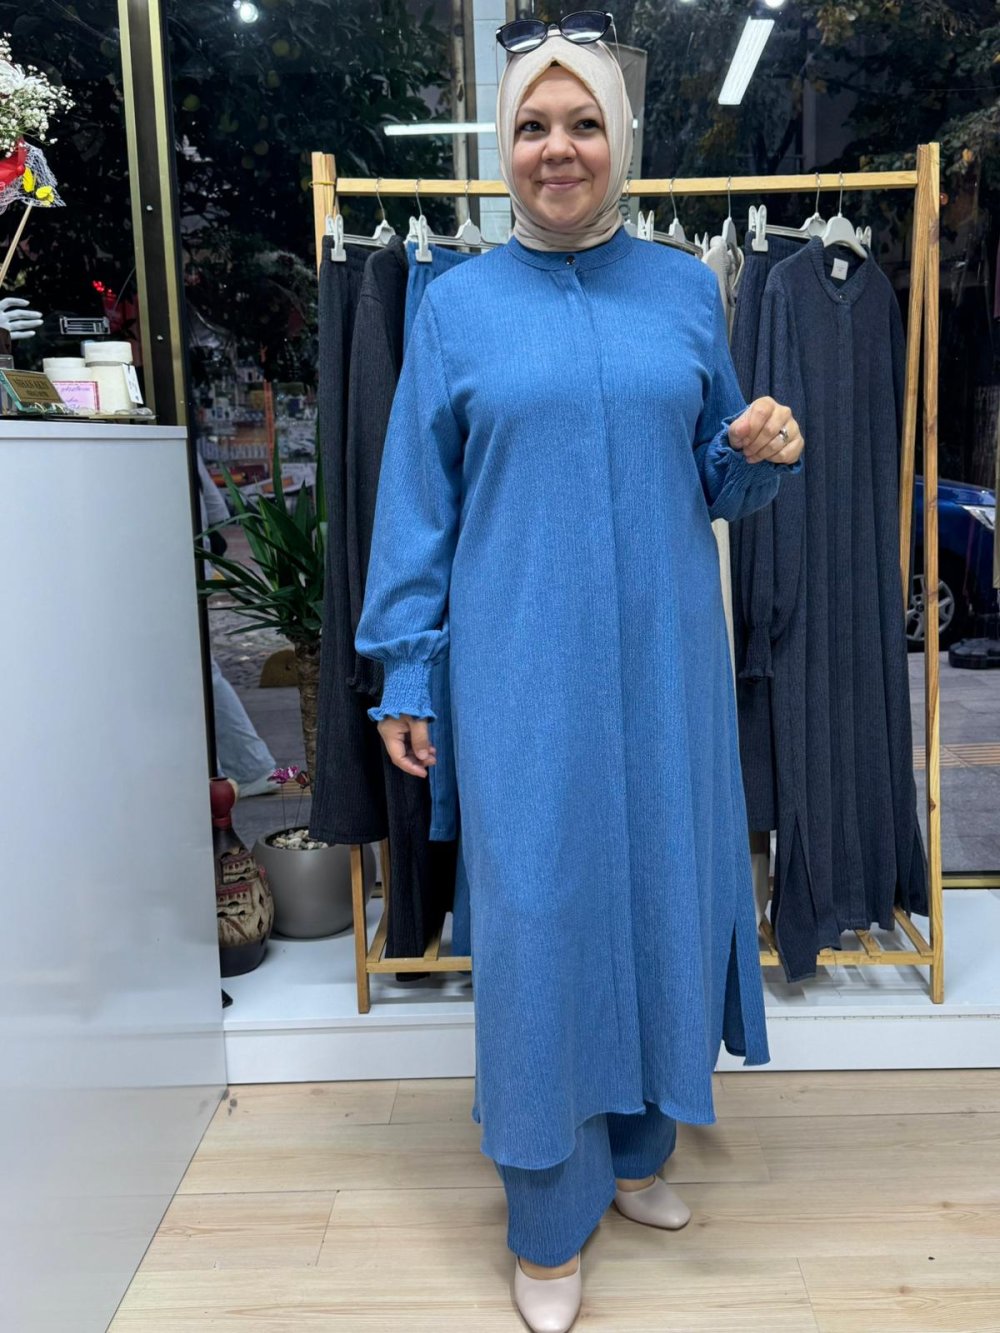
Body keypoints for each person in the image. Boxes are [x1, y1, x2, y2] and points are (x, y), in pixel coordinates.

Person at [355, 28, 804, 1333]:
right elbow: (417, 506)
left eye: (584, 124)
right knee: (544, 918)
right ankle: (549, 1221)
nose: (559, 149)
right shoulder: (456, 306)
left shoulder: (683, 291)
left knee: (663, 886)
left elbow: (713, 474)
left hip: (667, 663)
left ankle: (638, 1153)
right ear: (507, 148)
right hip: (521, 668)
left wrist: (759, 450)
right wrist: (406, 672)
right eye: (534, 127)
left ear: (620, 140)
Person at [196, 453, 279, 798]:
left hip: (175, 565)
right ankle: (249, 767)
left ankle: (250, 767)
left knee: (200, 669)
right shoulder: (189, 451)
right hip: (195, 559)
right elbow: (216, 510)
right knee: (201, 668)